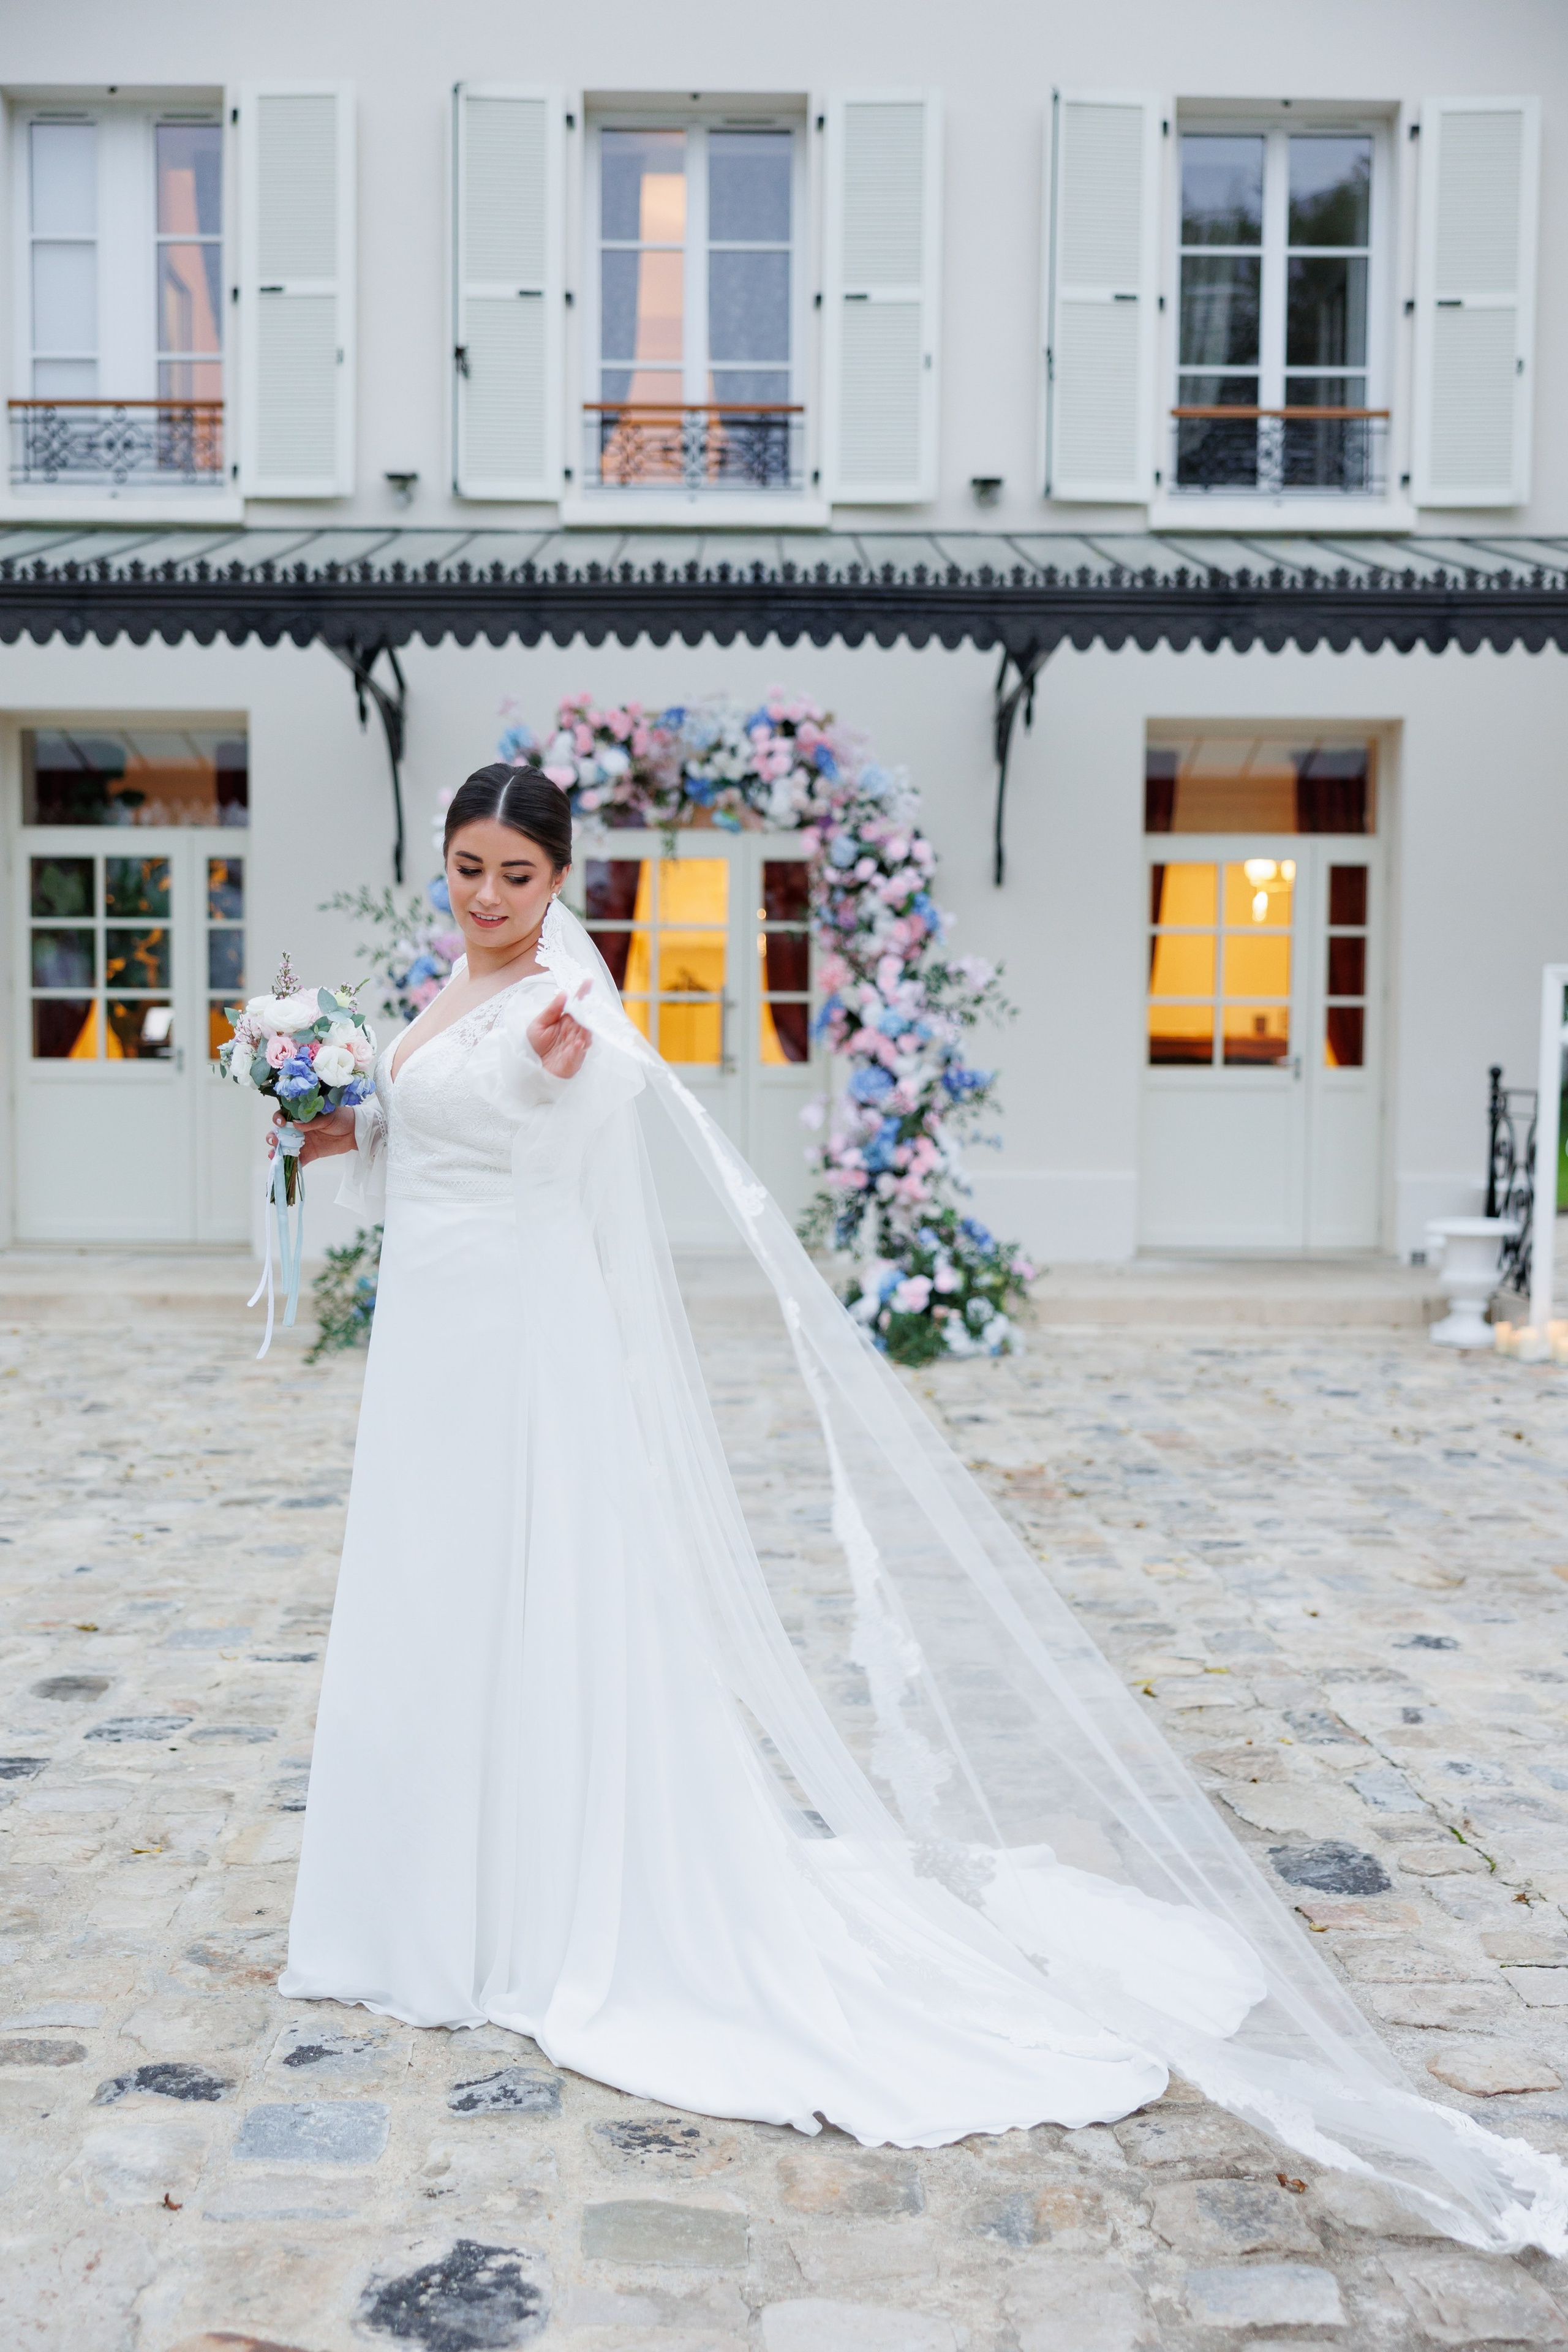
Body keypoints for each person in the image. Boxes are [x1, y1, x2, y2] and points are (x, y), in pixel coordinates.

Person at [279, 763, 1567, 2248]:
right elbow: (404, 1145)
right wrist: (321, 1126)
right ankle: (417, 1898)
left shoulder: (569, 1006)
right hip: (429, 1346)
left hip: (515, 1343)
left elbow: (568, 1123)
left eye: (514, 873)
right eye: (465, 866)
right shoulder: (444, 987)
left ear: (561, 877)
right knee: (430, 1600)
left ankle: (517, 1910)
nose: (487, 896)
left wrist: (560, 1064)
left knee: (521, 1592)